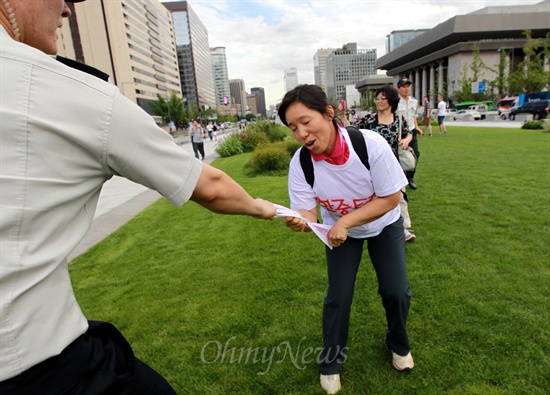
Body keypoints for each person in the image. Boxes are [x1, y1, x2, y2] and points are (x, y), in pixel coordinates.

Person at [0, 1, 276, 393]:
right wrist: (265, 208)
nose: (67, 11)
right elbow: (209, 185)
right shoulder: (73, 91)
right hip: (38, 365)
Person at [277, 85, 414, 395]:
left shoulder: (370, 144)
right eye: (293, 127)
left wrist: (348, 220)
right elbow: (307, 210)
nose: (301, 133)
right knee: (338, 296)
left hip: (383, 224)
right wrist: (300, 220)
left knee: (396, 291)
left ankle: (398, 344)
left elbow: (392, 197)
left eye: (305, 121)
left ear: (328, 113)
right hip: (339, 235)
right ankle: (331, 361)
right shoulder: (301, 163)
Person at [364, 86, 416, 242]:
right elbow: (353, 132)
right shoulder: (369, 120)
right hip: (372, 166)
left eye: (382, 98)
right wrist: (341, 116)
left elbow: (409, 134)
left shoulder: (399, 120)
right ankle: (375, 225)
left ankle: (405, 228)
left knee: (399, 195)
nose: (378, 101)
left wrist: (406, 140)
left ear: (391, 101)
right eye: (377, 98)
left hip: (394, 165)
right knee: (376, 197)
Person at [396, 78, 422, 190]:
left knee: (416, 154)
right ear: (399, 89)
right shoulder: (395, 102)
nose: (406, 89)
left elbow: (413, 116)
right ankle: (399, 178)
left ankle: (410, 178)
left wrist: (417, 127)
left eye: (408, 86)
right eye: (404, 86)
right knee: (399, 156)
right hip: (400, 133)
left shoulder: (414, 101)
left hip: (411, 131)